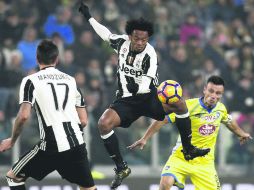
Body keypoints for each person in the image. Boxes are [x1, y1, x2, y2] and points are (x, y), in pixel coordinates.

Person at [78, 2, 210, 189]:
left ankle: (188, 149)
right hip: (125, 100)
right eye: (137, 38)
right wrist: (89, 17)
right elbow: (105, 34)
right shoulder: (121, 43)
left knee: (180, 105)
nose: (140, 43)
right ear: (130, 36)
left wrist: (133, 84)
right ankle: (121, 167)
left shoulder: (150, 55)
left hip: (148, 97)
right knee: (103, 124)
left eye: (144, 40)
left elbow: (147, 83)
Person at [0, 40, 97, 190]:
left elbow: (23, 116)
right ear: (56, 59)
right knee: (87, 187)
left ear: (37, 59)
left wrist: (12, 140)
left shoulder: (30, 81)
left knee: (13, 177)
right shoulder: (71, 80)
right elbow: (83, 120)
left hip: (51, 144)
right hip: (77, 143)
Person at [128, 75, 252, 190]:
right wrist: (145, 138)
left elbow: (229, 121)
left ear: (222, 94)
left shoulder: (221, 109)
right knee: (165, 184)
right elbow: (163, 120)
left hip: (205, 163)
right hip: (182, 156)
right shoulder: (187, 106)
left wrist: (241, 133)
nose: (214, 96)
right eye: (211, 91)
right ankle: (176, 178)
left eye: (218, 93)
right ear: (204, 90)